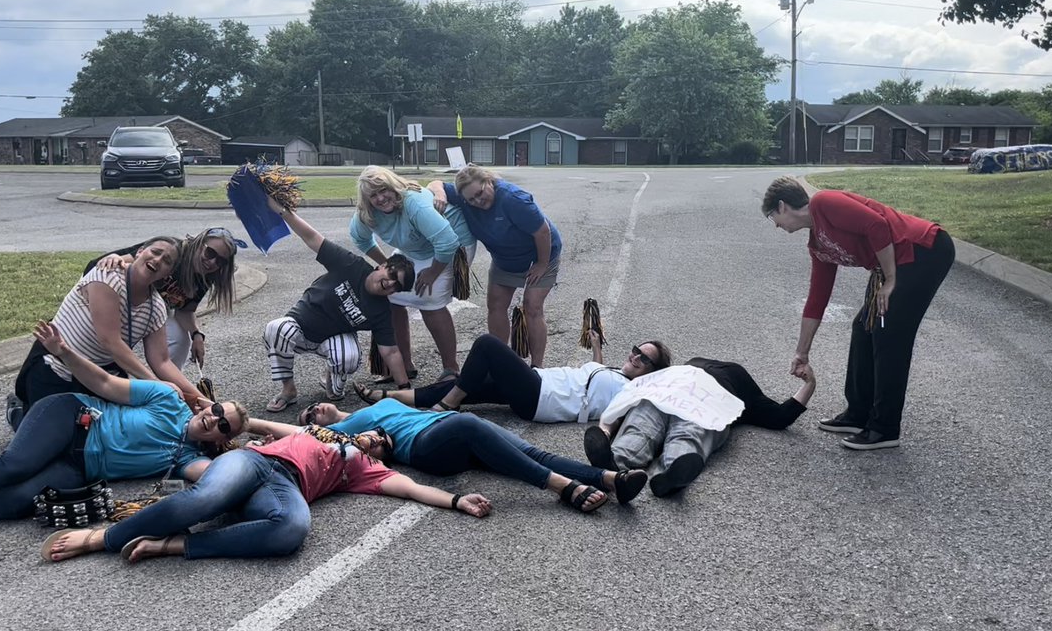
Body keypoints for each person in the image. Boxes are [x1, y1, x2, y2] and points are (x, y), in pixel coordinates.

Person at [0, 321, 248, 519]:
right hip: (70, 417)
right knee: (13, 466)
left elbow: (227, 475)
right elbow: (104, 383)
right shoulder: (168, 398)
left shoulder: (190, 460)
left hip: (80, 467)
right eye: (217, 410)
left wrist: (260, 437)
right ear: (206, 406)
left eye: (224, 426)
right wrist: (63, 351)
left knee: (19, 502)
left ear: (220, 440)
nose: (214, 420)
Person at [40, 417, 490, 563]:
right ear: (363, 429)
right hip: (255, 461)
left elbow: (411, 490)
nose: (375, 441)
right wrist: (228, 419)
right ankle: (103, 538)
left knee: (291, 530)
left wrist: (455, 499)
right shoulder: (320, 429)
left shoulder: (364, 470)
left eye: (384, 446)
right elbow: (258, 423)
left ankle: (175, 545)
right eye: (375, 434)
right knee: (207, 499)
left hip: (283, 488)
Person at [762, 176, 954, 450]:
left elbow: (877, 225)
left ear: (782, 206)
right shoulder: (818, 246)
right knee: (863, 328)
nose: (777, 226)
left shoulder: (824, 203)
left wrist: (889, 280)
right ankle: (858, 413)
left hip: (923, 249)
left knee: (888, 334)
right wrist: (802, 353)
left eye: (773, 218)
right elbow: (817, 299)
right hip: (894, 263)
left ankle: (884, 429)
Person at [309, 397, 648, 512]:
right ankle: (561, 487)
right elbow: (303, 439)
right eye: (309, 416)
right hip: (427, 446)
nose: (314, 411)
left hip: (446, 425)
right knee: (470, 423)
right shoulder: (342, 432)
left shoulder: (372, 405)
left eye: (314, 407)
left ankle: (609, 479)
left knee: (528, 451)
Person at [10, 236, 203, 429]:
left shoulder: (156, 308)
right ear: (140, 252)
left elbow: (162, 361)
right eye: (155, 252)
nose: (159, 260)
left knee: (103, 439)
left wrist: (201, 400)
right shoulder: (108, 274)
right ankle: (18, 413)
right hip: (57, 366)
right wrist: (155, 385)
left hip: (97, 379)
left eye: (167, 261)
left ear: (168, 273)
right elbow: (110, 341)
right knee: (49, 439)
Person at [263, 196, 417, 412]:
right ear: (382, 266)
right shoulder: (351, 265)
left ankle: (331, 382)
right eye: (391, 273)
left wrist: (404, 388)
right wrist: (282, 210)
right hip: (300, 326)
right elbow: (312, 237)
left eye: (396, 286)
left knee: (344, 371)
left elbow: (390, 351)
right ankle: (288, 390)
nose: (390, 283)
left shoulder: (381, 311)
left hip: (332, 339)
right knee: (277, 329)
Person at [584, 358, 817, 497]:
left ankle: (670, 474)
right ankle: (613, 464)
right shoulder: (686, 368)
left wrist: (809, 383)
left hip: (707, 402)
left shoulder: (748, 394)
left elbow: (781, 416)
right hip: (667, 392)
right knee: (644, 425)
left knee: (686, 433)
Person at [355, 332, 671, 424]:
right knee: (468, 387)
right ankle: (387, 398)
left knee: (486, 344)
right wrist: (598, 347)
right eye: (635, 350)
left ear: (652, 371)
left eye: (644, 359)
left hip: (541, 398)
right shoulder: (616, 374)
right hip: (537, 383)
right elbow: (595, 375)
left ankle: (448, 406)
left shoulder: (633, 392)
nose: (635, 357)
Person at [349, 166, 477, 384]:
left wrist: (432, 273)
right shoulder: (366, 214)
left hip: (454, 242)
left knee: (427, 296)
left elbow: (446, 242)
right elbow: (361, 239)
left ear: (393, 186)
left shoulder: (413, 202)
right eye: (373, 195)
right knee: (390, 296)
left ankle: (451, 369)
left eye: (384, 190)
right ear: (367, 199)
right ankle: (403, 365)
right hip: (413, 249)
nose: (380, 198)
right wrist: (386, 264)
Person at [427, 164, 562, 366]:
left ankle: (537, 368)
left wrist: (542, 264)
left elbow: (542, 231)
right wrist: (439, 194)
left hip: (541, 253)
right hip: (504, 258)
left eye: (480, 193)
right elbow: (435, 183)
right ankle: (502, 363)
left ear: (488, 181)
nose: (478, 201)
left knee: (532, 307)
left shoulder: (513, 199)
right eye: (471, 199)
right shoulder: (466, 197)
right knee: (495, 306)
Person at [85, 227, 244, 369]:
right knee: (114, 337)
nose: (212, 262)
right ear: (199, 243)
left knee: (182, 340)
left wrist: (196, 335)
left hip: (150, 308)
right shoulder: (171, 251)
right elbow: (128, 261)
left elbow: (184, 311)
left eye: (221, 261)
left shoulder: (205, 277)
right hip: (111, 289)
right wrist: (115, 258)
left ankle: (168, 383)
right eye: (210, 253)